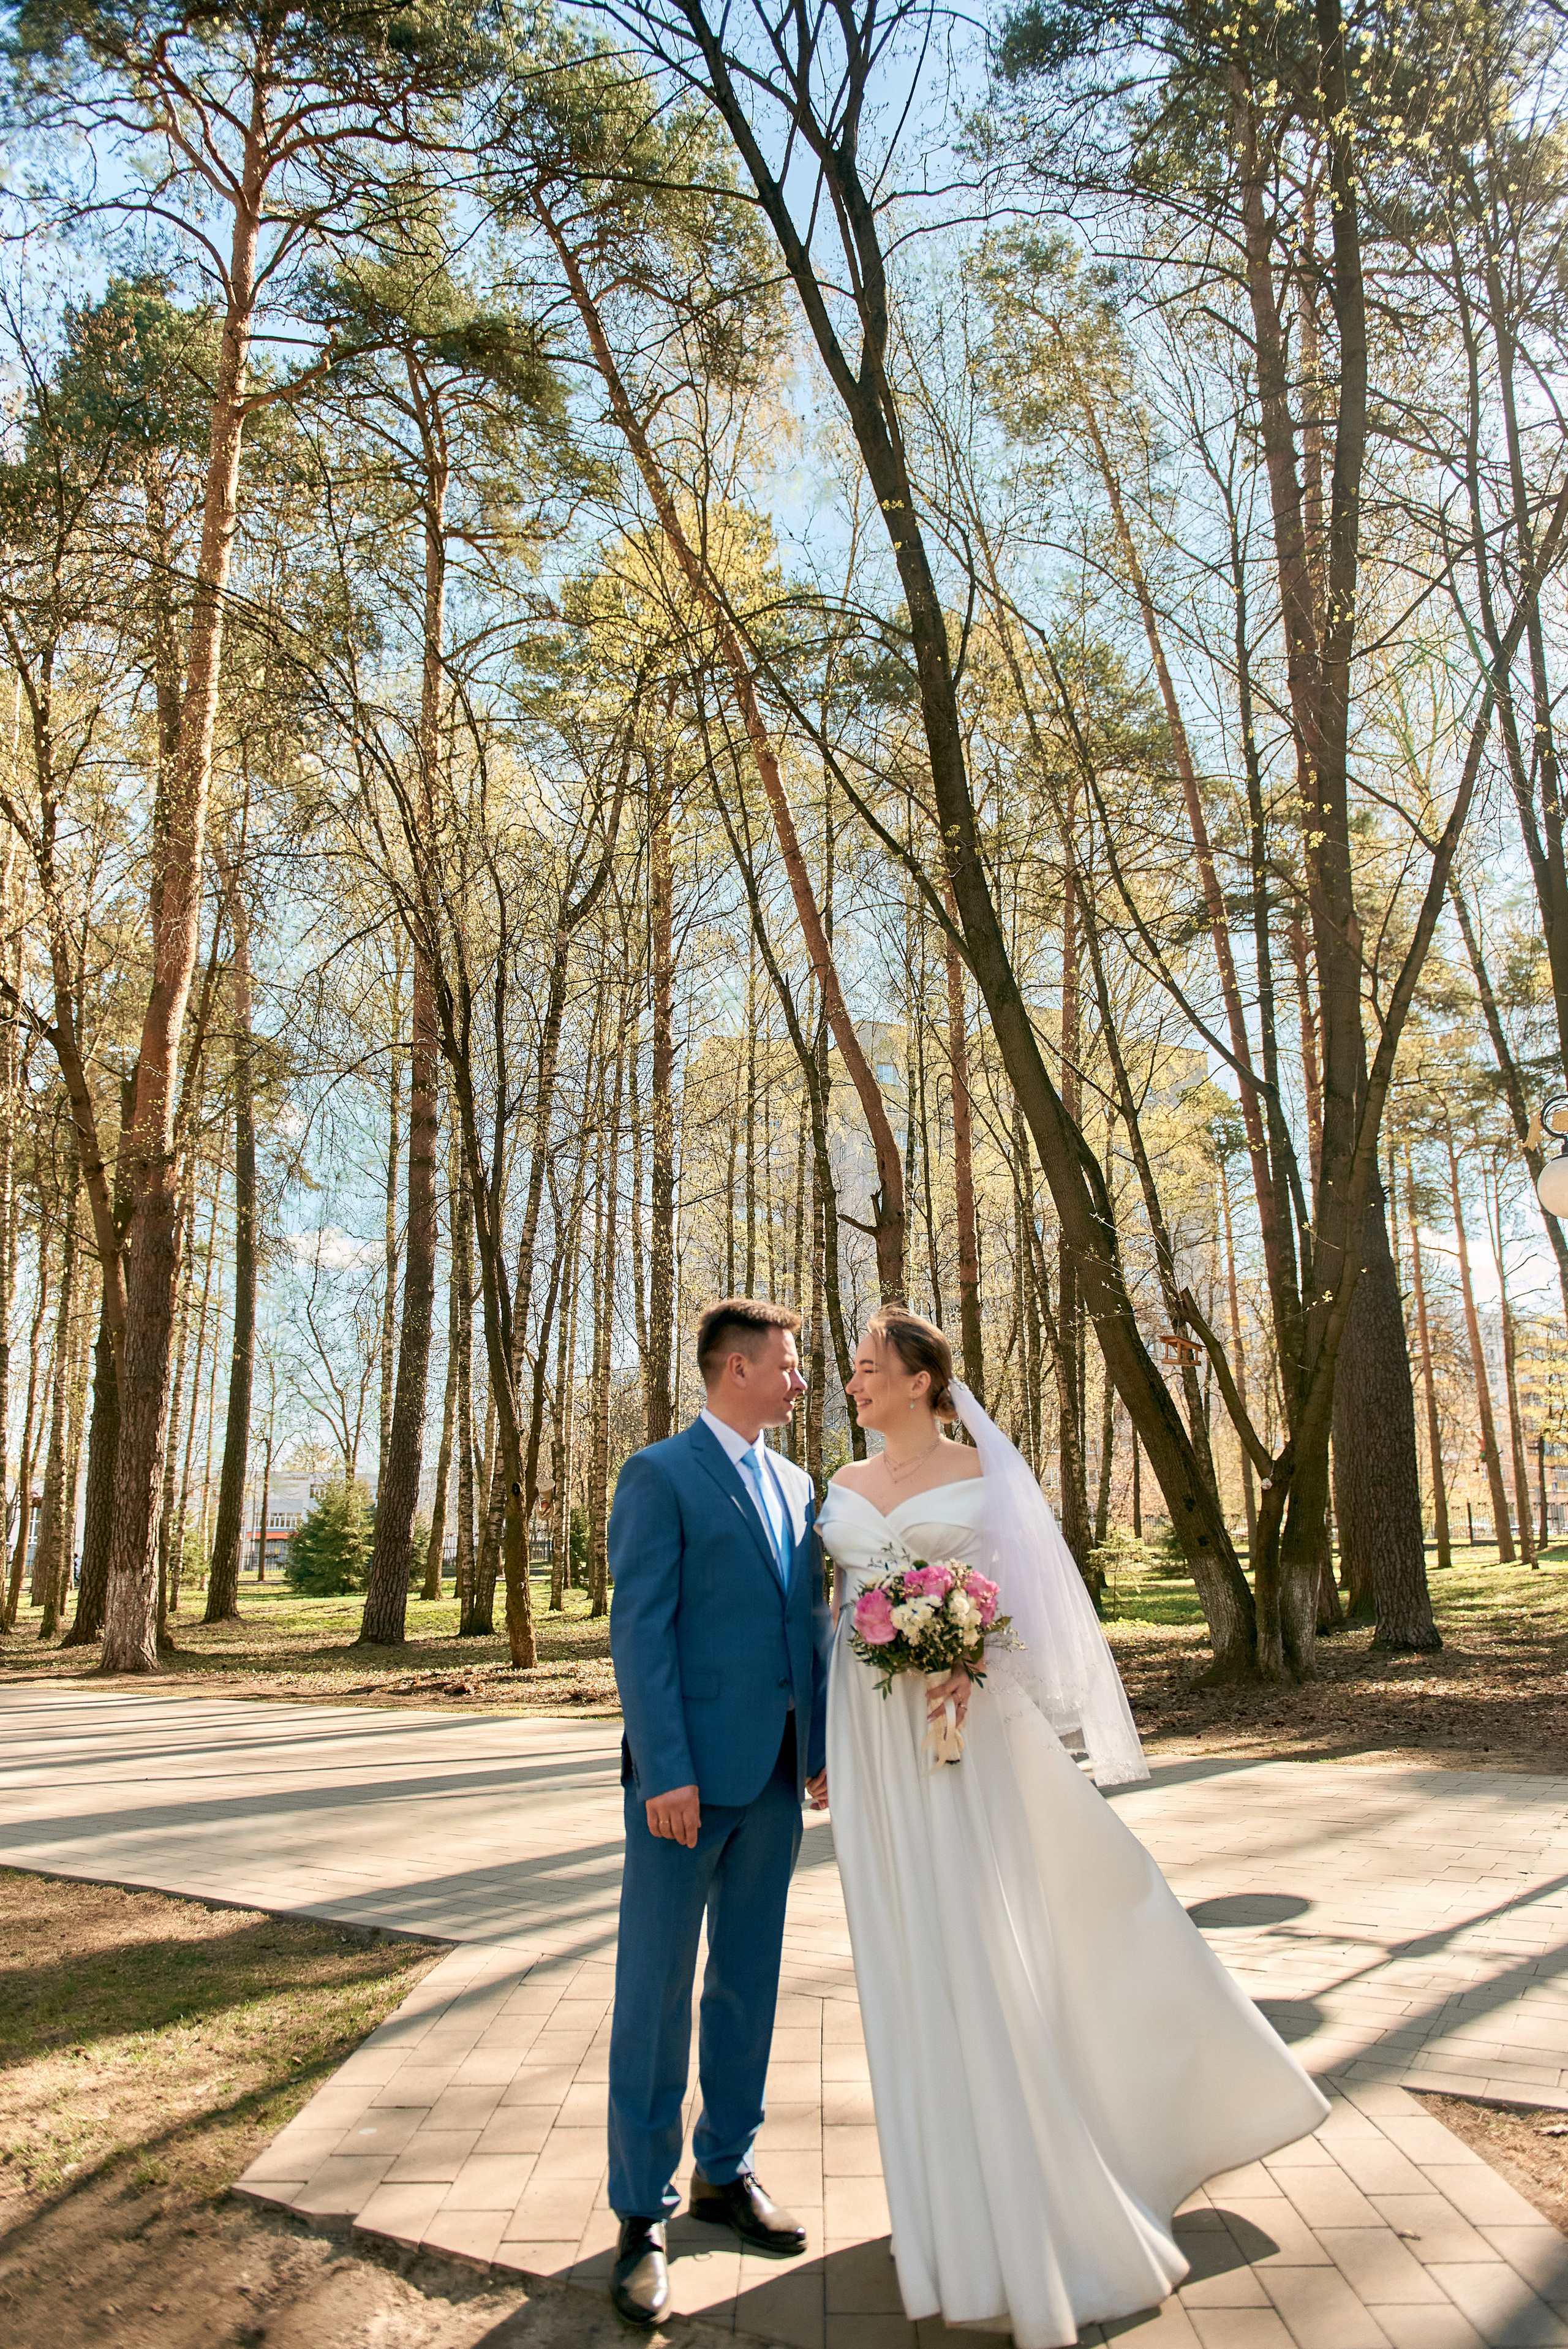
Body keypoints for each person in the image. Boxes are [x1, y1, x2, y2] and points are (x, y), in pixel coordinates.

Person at [818, 1306, 1330, 2349]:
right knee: (907, 1951)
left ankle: (1046, 2176)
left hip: (966, 1735)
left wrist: (965, 1652)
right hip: (871, 1745)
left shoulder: (985, 1472)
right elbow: (835, 1605)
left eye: (870, 1368)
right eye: (852, 1370)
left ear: (923, 1380)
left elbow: (1029, 1614)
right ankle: (945, 2197)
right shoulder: (839, 1488)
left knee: (992, 1943)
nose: (853, 1383)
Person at [605, 1296, 832, 2326]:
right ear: (734, 1367)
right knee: (655, 1994)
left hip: (777, 1779)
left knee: (747, 1983)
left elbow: (807, 1625)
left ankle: (724, 2174)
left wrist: (821, 1749)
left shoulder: (798, 1483)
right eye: (787, 1365)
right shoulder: (658, 1475)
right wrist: (665, 1771)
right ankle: (640, 2214)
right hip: (683, 1788)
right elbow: (641, 1632)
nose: (800, 1380)